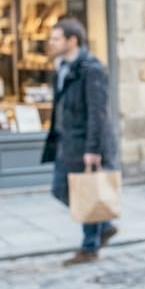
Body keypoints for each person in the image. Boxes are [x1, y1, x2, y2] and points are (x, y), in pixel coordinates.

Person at [41, 18, 119, 266]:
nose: (51, 43)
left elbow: (98, 112)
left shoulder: (92, 68)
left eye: (56, 38)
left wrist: (93, 149)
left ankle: (90, 246)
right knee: (60, 189)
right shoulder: (62, 67)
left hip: (84, 143)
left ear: (72, 40)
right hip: (66, 141)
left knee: (86, 190)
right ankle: (103, 225)